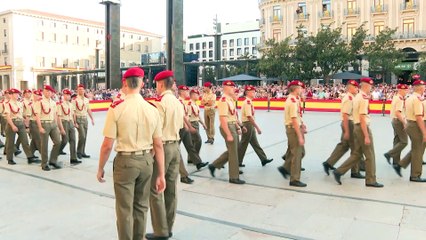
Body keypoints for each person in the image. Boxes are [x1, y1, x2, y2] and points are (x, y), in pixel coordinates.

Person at [97, 67, 166, 240]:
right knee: (141, 207)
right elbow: (158, 145)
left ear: (125, 84)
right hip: (146, 162)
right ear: (143, 83)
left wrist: (100, 168)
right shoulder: (152, 109)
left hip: (125, 163)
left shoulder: (117, 108)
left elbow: (107, 144)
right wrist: (162, 175)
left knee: (124, 209)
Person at [146, 70, 184, 240]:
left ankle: (160, 231)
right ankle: (168, 227)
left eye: (156, 85)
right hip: (176, 147)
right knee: (171, 190)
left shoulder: (160, 103)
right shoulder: (177, 102)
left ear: (160, 84)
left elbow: (156, 131)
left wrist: (152, 152)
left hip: (163, 148)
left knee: (155, 188)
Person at [333, 78, 384, 187]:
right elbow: (362, 117)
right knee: (370, 154)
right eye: (370, 86)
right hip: (362, 127)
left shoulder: (357, 97)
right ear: (366, 86)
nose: (371, 88)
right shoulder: (363, 98)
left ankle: (339, 171)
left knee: (357, 154)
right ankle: (371, 179)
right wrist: (366, 135)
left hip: (357, 127)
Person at [322, 80, 364, 178]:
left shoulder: (351, 97)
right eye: (356, 87)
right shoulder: (349, 98)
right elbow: (345, 115)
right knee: (356, 148)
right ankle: (355, 171)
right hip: (349, 123)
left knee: (343, 146)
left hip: (349, 123)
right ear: (351, 88)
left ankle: (329, 163)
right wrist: (347, 131)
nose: (357, 89)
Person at [208, 80, 245, 184]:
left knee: (233, 150)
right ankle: (234, 177)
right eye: (232, 87)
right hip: (228, 127)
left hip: (232, 125)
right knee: (233, 152)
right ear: (226, 88)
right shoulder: (224, 100)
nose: (234, 89)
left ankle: (215, 165)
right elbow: (223, 119)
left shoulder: (230, 100)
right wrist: (228, 134)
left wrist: (239, 127)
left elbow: (232, 116)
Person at [393, 80, 426, 182]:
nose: (424, 88)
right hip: (416, 125)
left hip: (411, 124)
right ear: (420, 88)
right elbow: (418, 116)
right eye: (424, 86)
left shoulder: (410, 97)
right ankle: (415, 175)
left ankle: (401, 164)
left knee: (418, 148)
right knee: (417, 150)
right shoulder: (417, 99)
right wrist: (424, 132)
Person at [277, 81, 307, 187]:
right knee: (297, 154)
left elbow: (297, 117)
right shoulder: (292, 101)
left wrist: (302, 124)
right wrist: (299, 135)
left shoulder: (294, 99)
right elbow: (294, 119)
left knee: (299, 152)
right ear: (295, 89)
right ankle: (294, 179)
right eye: (300, 88)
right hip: (293, 129)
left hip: (295, 127)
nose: (302, 90)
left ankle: (285, 168)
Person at [238, 85, 273, 167]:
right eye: (252, 92)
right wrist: (257, 127)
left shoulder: (249, 101)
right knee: (243, 144)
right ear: (247, 93)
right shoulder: (247, 102)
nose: (254, 93)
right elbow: (249, 116)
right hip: (247, 124)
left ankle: (263, 159)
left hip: (249, 124)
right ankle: (237, 161)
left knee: (255, 143)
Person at [4, 88, 39, 165]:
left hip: (20, 123)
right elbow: (8, 116)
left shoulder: (20, 103)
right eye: (15, 94)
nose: (17, 95)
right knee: (10, 142)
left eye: (18, 94)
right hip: (11, 123)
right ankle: (10, 159)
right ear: (11, 95)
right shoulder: (7, 104)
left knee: (25, 141)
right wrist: (12, 126)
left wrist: (26, 124)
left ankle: (30, 157)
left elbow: (21, 114)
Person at [34, 85, 62, 171]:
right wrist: (40, 127)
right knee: (44, 145)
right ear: (43, 92)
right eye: (46, 91)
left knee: (58, 142)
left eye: (50, 91)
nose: (48, 93)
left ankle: (53, 160)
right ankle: (44, 163)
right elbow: (37, 115)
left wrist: (57, 125)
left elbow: (54, 115)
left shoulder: (53, 102)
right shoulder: (39, 102)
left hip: (53, 124)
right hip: (44, 124)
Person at [384, 84, 408, 166]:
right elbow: (398, 113)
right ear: (400, 90)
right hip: (399, 121)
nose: (406, 92)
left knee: (397, 140)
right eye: (405, 90)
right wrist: (404, 123)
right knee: (404, 142)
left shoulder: (396, 97)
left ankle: (396, 160)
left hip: (394, 121)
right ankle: (389, 154)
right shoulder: (400, 99)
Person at [57, 89, 80, 165]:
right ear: (63, 96)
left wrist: (74, 123)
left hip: (70, 123)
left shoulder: (71, 105)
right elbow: (59, 117)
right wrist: (61, 128)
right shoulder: (60, 105)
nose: (67, 96)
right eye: (65, 95)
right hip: (64, 123)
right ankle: (56, 152)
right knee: (65, 140)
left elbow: (73, 115)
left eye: (68, 95)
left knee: (73, 140)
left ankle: (73, 158)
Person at [73, 84, 94, 159]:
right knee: (82, 136)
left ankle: (83, 152)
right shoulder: (74, 100)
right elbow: (74, 112)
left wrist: (92, 118)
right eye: (79, 89)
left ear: (84, 90)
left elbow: (88, 109)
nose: (81, 90)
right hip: (78, 119)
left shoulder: (86, 99)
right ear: (77, 91)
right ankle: (78, 152)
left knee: (85, 136)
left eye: (82, 89)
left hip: (85, 119)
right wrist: (74, 122)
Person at [29, 90, 42, 156]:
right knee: (39, 140)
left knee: (34, 140)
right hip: (33, 123)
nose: (35, 97)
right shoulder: (31, 104)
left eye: (37, 96)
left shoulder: (40, 103)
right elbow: (28, 115)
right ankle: (44, 156)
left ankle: (30, 155)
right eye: (34, 95)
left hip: (39, 122)